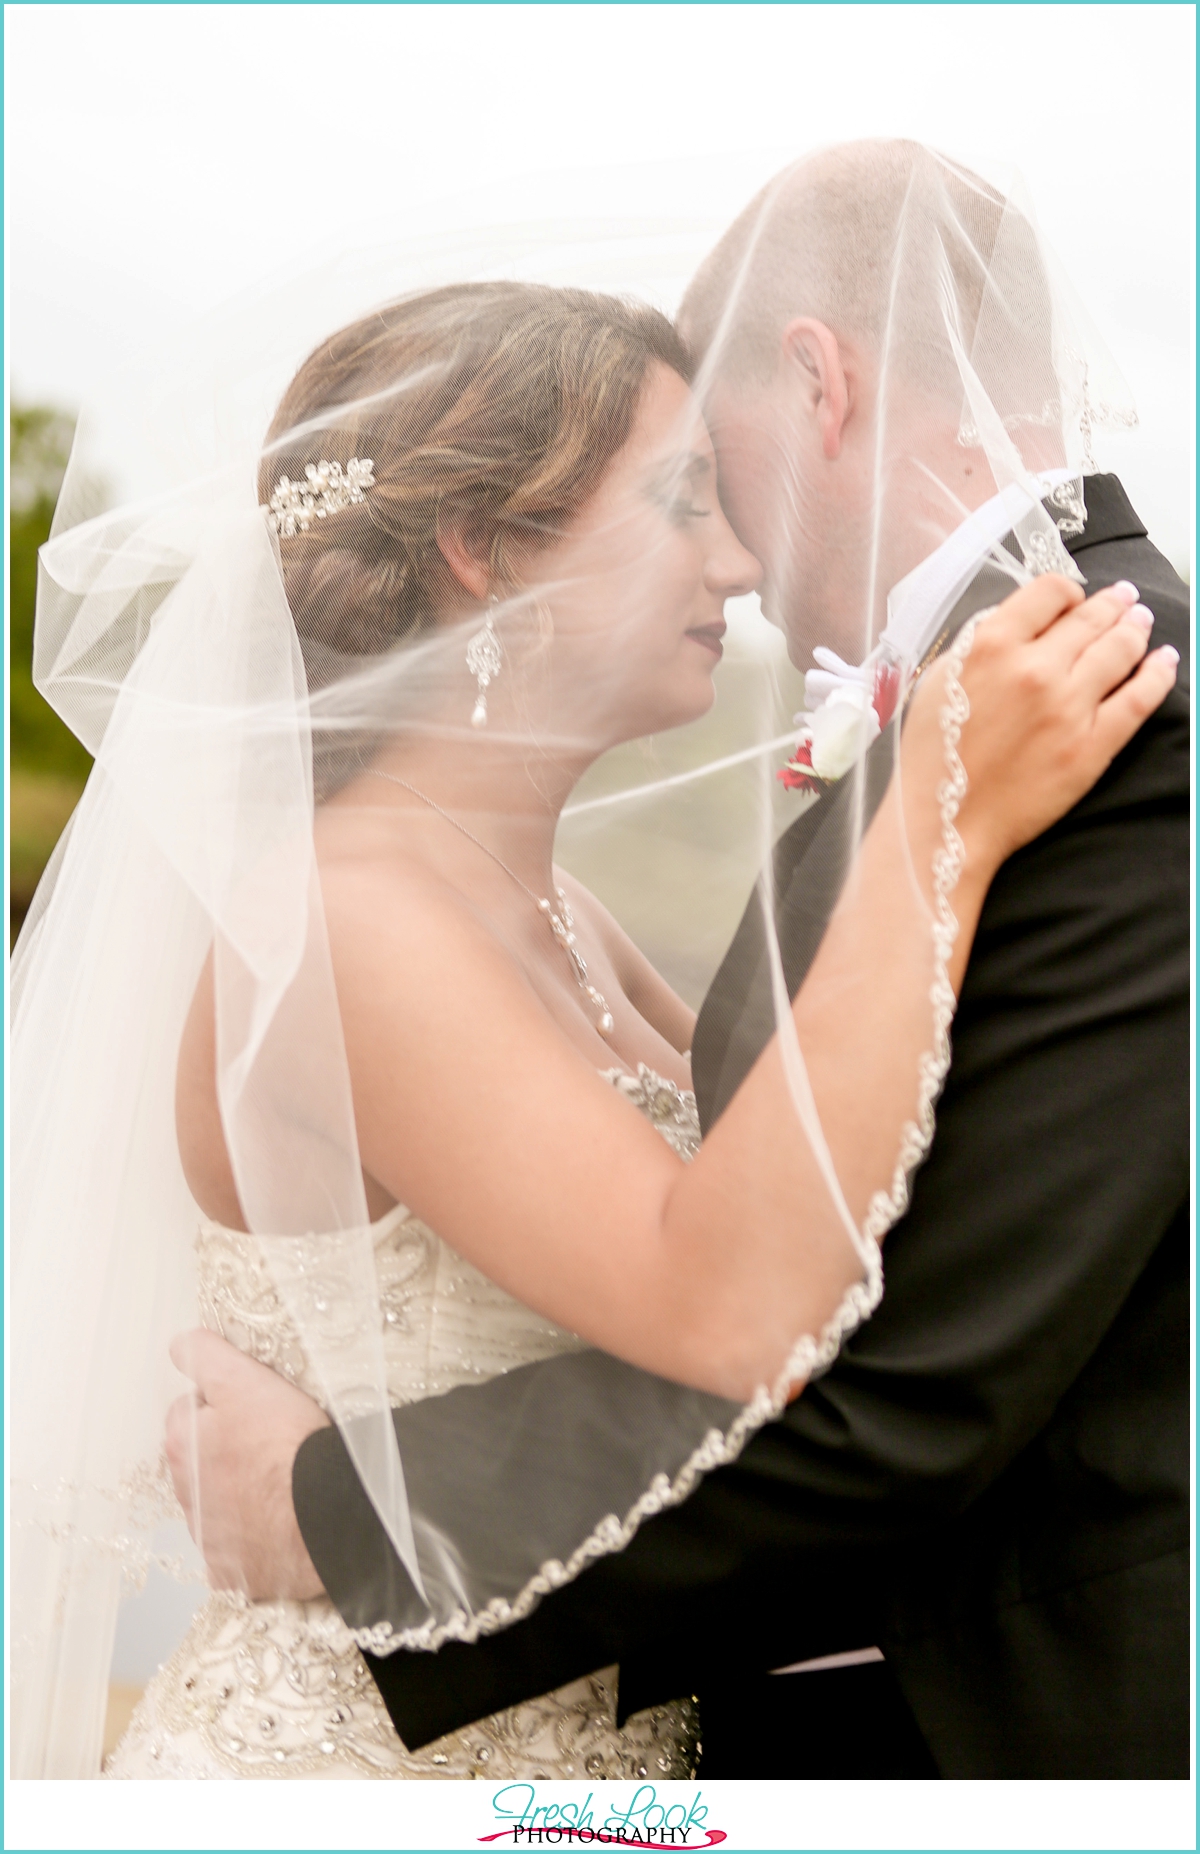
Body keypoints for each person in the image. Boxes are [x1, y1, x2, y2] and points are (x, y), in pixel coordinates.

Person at [162, 145, 1189, 1780]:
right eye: (674, 493)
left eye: (719, 479)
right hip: (374, 1753)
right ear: (490, 551)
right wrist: (934, 809)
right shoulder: (352, 915)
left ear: (817, 382)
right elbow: (735, 1286)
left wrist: (333, 1503)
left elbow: (889, 1369)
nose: (727, 556)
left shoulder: (1100, 728)